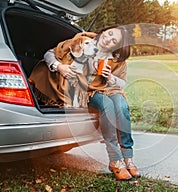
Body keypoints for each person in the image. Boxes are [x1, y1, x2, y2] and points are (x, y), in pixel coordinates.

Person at [43, 26, 140, 180]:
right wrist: (59, 66)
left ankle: (128, 156)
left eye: (114, 40)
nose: (108, 39)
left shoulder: (115, 59)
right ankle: (115, 159)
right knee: (107, 106)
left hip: (106, 88)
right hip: (84, 90)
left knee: (122, 106)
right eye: (109, 34)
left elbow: (121, 84)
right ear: (104, 31)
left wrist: (110, 78)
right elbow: (49, 54)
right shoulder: (83, 40)